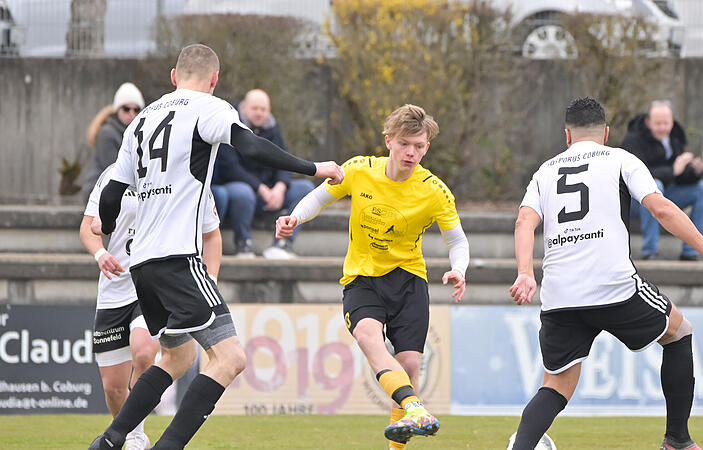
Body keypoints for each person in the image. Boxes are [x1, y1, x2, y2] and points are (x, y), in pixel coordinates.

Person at [88, 43, 344, 450]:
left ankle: (111, 439)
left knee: (177, 358)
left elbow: (111, 194)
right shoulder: (209, 107)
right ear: (214, 79)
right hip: (178, 258)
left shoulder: (140, 122)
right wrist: (316, 168)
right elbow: (253, 146)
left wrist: (109, 225)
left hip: (143, 266)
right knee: (231, 358)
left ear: (173, 76)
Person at [509, 98, 703, 450]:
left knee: (556, 385)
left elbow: (525, 221)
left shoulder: (545, 171)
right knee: (679, 331)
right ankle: (677, 441)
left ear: (567, 135)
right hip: (612, 285)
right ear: (605, 132)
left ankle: (520, 447)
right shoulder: (620, 159)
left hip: (560, 294)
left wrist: (526, 272)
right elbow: (662, 209)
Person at [276, 104, 470, 449]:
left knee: (409, 365)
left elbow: (456, 239)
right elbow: (319, 198)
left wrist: (459, 269)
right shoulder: (359, 169)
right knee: (368, 335)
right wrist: (294, 218)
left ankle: (403, 433)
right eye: (406, 143)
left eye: (420, 146)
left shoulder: (434, 190)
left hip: (408, 279)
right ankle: (415, 407)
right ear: (389, 142)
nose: (412, 152)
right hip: (362, 278)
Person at [79, 164, 221, 449]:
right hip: (113, 290)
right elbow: (88, 227)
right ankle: (135, 436)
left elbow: (212, 236)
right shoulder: (115, 174)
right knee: (114, 387)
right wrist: (101, 254)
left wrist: (211, 281)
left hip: (153, 284)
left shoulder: (189, 177)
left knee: (144, 352)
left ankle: (133, 439)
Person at [211, 89, 314, 259]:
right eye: (255, 108)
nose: (259, 113)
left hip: (270, 192)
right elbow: (230, 167)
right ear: (244, 108)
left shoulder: (274, 128)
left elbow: (284, 160)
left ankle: (282, 243)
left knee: (305, 188)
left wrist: (280, 188)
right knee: (241, 193)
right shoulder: (230, 126)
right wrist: (260, 188)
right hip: (240, 190)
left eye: (263, 109)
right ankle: (243, 243)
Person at [621, 100, 703, 261]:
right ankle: (650, 251)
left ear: (672, 122)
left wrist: (695, 171)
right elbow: (633, 177)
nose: (662, 128)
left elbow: (679, 178)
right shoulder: (633, 140)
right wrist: (673, 170)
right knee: (655, 185)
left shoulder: (676, 138)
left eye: (666, 123)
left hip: (665, 194)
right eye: (658, 123)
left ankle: (690, 251)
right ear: (648, 122)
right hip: (635, 201)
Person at [82, 82, 146, 202]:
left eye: (136, 109)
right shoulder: (107, 133)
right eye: (126, 109)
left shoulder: (136, 133)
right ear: (117, 109)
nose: (132, 114)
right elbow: (114, 170)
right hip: (99, 193)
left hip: (118, 192)